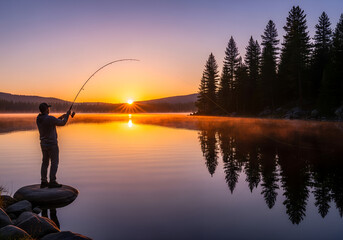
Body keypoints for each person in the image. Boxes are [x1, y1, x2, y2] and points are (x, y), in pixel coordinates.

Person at [36, 103, 71, 188]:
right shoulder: (50, 118)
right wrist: (67, 116)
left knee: (45, 163)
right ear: (46, 109)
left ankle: (43, 181)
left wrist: (62, 116)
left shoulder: (39, 119)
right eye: (48, 108)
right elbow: (62, 123)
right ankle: (52, 181)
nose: (49, 109)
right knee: (54, 162)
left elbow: (53, 122)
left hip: (43, 144)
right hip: (52, 144)